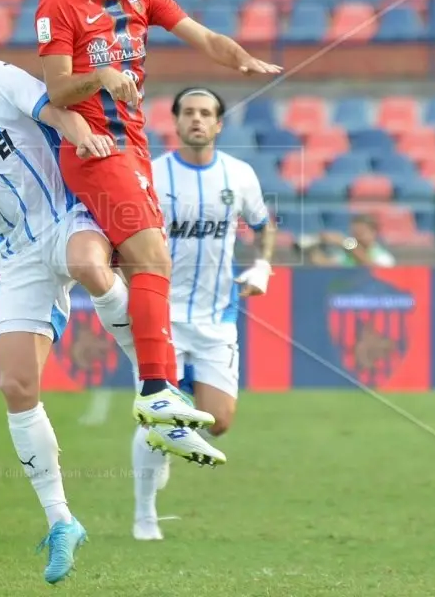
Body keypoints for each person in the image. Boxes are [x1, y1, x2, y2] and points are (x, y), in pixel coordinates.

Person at [0, 3, 223, 584]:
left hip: (68, 212)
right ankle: (62, 520)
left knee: (88, 261)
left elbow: (54, 110)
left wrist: (82, 133)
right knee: (14, 385)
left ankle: (157, 385)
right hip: (18, 252)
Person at [35, 0, 283, 434]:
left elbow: (205, 37)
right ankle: (156, 386)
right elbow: (57, 89)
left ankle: (153, 377)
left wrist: (241, 59)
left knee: (130, 263)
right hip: (95, 147)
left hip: (134, 147)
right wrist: (100, 74)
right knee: (152, 256)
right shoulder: (58, 2)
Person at [131, 87, 276, 541]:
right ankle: (145, 514)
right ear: (175, 122)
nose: (197, 119)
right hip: (163, 318)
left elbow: (262, 224)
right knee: (160, 415)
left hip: (217, 319)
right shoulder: (152, 177)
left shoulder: (239, 175)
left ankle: (170, 430)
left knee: (220, 421)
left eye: (206, 113)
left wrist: (263, 264)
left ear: (218, 124)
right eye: (188, 112)